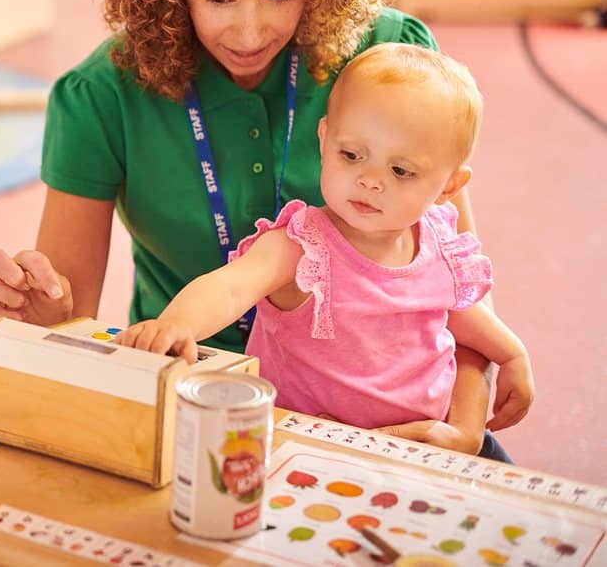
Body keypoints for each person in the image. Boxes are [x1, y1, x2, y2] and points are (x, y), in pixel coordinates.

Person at [0, 0, 509, 459]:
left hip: (404, 407)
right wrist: (42, 311)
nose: (251, 31)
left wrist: (461, 424)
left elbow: (451, 279)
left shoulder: (391, 61)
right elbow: (70, 314)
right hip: (200, 397)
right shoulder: (101, 95)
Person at [115, 44, 535, 445]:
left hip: (430, 440)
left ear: (450, 186)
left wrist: (513, 355)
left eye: (401, 171)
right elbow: (232, 286)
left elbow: (460, 315)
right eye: (352, 155)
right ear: (324, 139)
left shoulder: (438, 243)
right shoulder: (303, 246)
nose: (371, 180)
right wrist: (177, 324)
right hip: (310, 446)